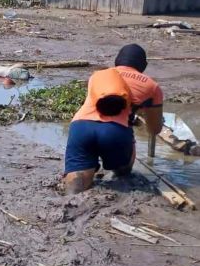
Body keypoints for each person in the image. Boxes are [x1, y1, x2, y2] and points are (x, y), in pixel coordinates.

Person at [63, 44, 163, 194]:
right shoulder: (152, 86)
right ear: (144, 65)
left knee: (76, 188)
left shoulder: (98, 76)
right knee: (123, 172)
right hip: (114, 131)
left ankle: (70, 198)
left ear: (117, 61)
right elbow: (154, 129)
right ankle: (119, 174)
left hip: (80, 127)